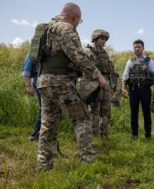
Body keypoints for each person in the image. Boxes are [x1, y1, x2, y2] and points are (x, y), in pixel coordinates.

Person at [36, 2, 106, 170]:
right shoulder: (66, 29)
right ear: (75, 17)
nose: (77, 24)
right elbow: (78, 56)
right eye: (78, 21)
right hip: (61, 83)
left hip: (44, 82)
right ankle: (87, 161)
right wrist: (98, 76)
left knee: (48, 124)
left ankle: (43, 165)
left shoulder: (46, 29)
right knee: (82, 119)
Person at [122, 39, 154, 139]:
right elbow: (125, 76)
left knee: (147, 112)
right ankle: (134, 134)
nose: (137, 49)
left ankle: (148, 134)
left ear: (143, 48)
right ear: (133, 48)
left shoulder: (149, 61)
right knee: (134, 113)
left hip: (145, 90)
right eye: (135, 47)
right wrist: (123, 88)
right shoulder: (130, 61)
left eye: (139, 47)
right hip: (133, 90)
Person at [83, 29, 114, 138]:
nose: (104, 41)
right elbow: (86, 69)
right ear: (95, 39)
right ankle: (93, 136)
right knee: (94, 111)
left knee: (106, 110)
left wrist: (111, 87)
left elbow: (110, 71)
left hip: (105, 84)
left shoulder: (105, 54)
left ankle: (104, 134)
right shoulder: (87, 52)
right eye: (102, 39)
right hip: (92, 85)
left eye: (105, 39)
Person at [22, 53, 41, 141]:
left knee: (46, 109)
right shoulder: (33, 51)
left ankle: (39, 134)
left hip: (48, 81)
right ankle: (36, 135)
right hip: (39, 81)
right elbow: (26, 71)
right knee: (44, 109)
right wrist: (28, 86)